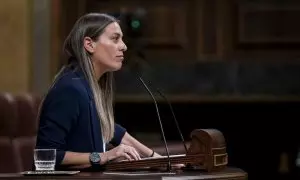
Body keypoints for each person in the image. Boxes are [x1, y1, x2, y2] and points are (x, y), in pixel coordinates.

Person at [34, 13, 161, 171]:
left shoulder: (88, 86)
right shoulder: (70, 89)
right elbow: (45, 155)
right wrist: (103, 156)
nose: (124, 46)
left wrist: (156, 158)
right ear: (89, 44)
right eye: (115, 39)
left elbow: (112, 130)